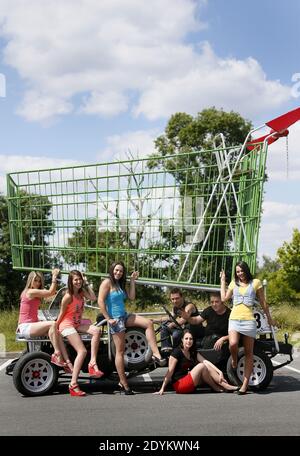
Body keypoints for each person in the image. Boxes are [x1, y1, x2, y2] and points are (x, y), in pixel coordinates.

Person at [98, 261, 166, 395]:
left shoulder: (120, 284)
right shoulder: (107, 283)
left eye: (121, 271)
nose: (118, 273)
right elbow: (100, 301)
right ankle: (124, 383)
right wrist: (108, 318)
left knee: (148, 323)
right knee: (120, 352)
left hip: (124, 316)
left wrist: (132, 281)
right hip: (116, 320)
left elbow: (132, 297)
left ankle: (156, 355)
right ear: (112, 270)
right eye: (116, 270)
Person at [220, 261, 275, 395]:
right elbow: (224, 298)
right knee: (233, 344)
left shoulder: (255, 282)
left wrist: (269, 317)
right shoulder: (234, 283)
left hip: (249, 321)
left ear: (246, 270)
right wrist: (223, 281)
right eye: (238, 271)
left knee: (249, 353)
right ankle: (234, 358)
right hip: (234, 319)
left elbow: (263, 302)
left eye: (242, 271)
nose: (240, 273)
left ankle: (244, 386)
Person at [56, 270, 103, 397]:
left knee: (97, 330)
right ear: (71, 282)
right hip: (66, 325)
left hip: (77, 324)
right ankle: (73, 384)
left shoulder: (81, 293)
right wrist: (55, 328)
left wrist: (86, 283)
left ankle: (92, 363)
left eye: (79, 279)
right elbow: (61, 314)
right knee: (82, 351)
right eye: (75, 280)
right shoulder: (68, 296)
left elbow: (93, 298)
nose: (78, 282)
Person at [16, 269, 72, 373]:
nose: (37, 283)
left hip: (31, 324)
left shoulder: (33, 293)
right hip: (25, 326)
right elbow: (50, 292)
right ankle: (57, 354)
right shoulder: (30, 291)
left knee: (57, 333)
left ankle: (67, 362)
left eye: (39, 281)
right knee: (53, 324)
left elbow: (51, 295)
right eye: (35, 280)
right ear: (30, 280)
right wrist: (54, 276)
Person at [154, 329, 238, 395]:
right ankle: (221, 386)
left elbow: (206, 362)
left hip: (190, 383)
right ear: (182, 340)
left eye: (191, 339)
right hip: (180, 385)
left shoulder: (193, 351)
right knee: (201, 366)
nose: (188, 341)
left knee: (205, 366)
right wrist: (162, 389)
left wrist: (219, 371)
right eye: (186, 339)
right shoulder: (176, 352)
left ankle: (220, 386)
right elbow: (170, 371)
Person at [157, 288, 203, 354]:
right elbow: (171, 318)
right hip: (183, 329)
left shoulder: (189, 306)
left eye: (177, 298)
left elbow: (183, 319)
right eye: (172, 299)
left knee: (176, 334)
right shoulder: (175, 307)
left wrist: (172, 324)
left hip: (193, 329)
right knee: (164, 328)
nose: (175, 301)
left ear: (182, 297)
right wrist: (154, 320)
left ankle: (177, 354)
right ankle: (167, 351)